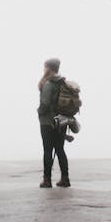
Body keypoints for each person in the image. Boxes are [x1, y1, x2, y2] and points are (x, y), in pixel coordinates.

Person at [37, 57, 71, 188]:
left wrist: (39, 111)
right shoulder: (63, 83)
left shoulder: (48, 83)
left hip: (47, 122)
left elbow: (45, 104)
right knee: (60, 149)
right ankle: (65, 179)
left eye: (44, 67)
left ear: (48, 68)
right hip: (62, 121)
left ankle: (47, 180)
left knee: (47, 150)